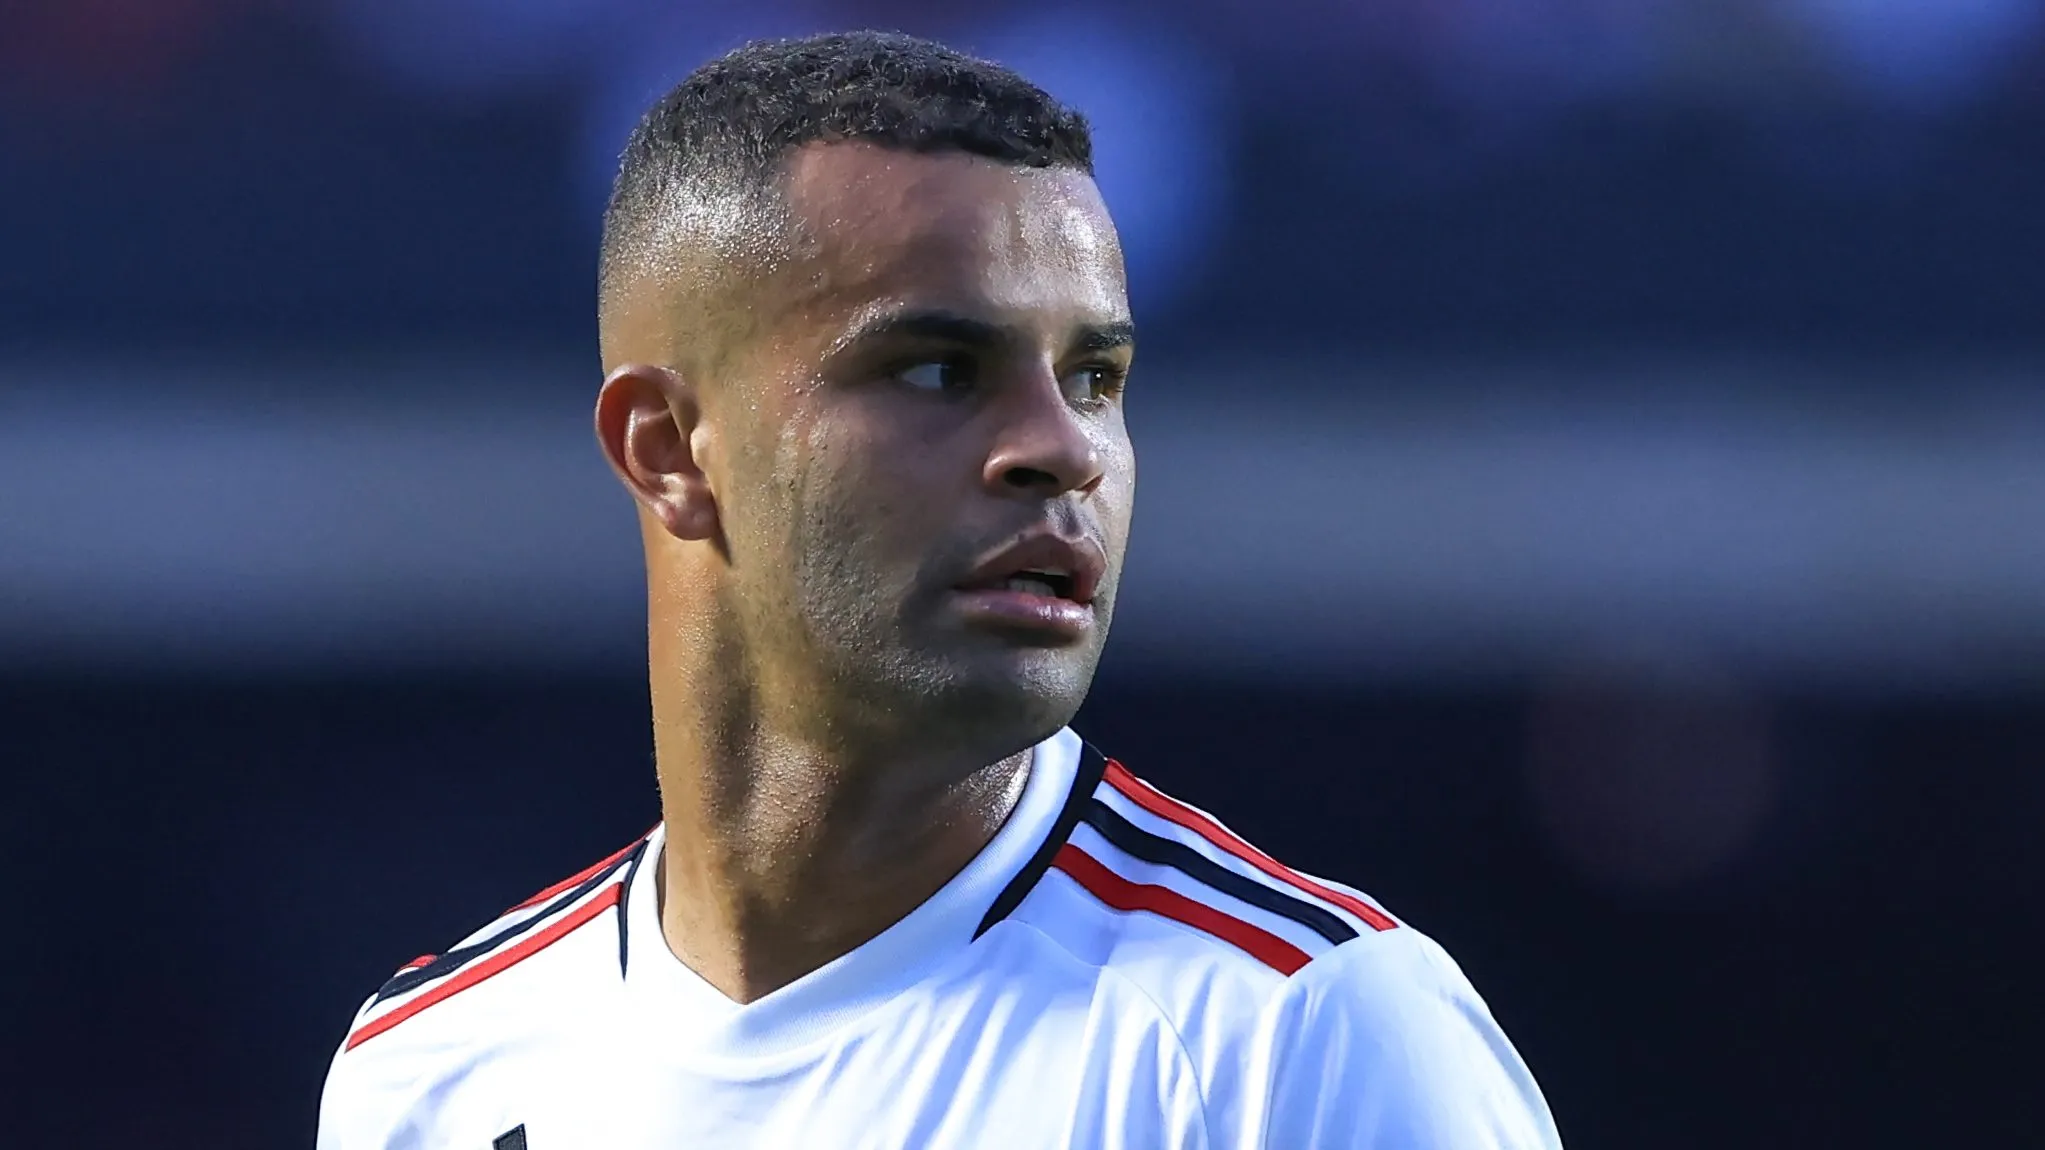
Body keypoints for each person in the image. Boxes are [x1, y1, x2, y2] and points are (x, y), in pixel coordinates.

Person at [317, 30, 1561, 1149]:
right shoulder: (433, 1072)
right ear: (665, 447)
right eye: (933, 370)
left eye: (1091, 379)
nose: (1061, 449)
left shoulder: (1296, 1036)